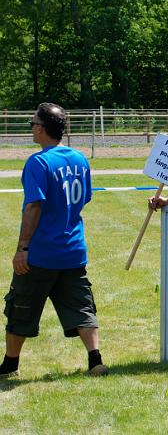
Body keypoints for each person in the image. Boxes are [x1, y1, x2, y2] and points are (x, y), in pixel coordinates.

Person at [1, 103, 108, 379]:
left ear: (43, 127)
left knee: (20, 306)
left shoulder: (38, 162)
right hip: (73, 251)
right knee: (82, 306)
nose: (32, 129)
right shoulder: (79, 158)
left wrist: (23, 248)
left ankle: (10, 365)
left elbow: (33, 207)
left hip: (42, 254)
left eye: (33, 124)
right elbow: (85, 199)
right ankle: (95, 359)